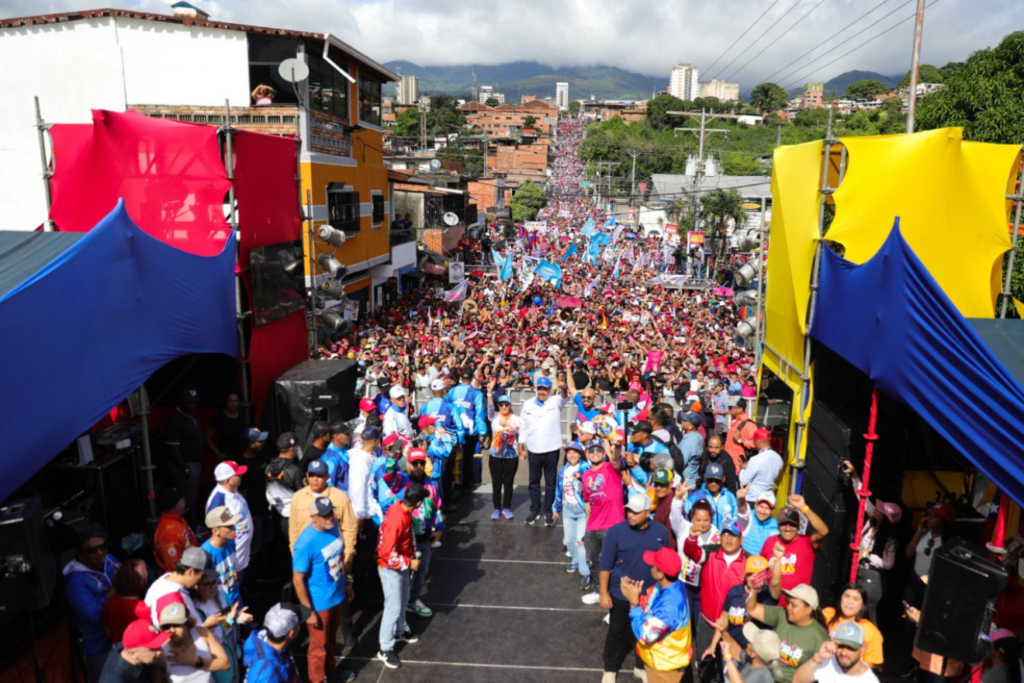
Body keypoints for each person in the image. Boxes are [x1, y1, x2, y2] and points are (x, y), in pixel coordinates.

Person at [599, 493, 672, 682]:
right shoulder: (615, 532)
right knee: (616, 631)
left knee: (646, 633)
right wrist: (603, 593)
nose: (630, 514)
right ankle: (610, 668)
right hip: (620, 594)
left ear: (647, 513)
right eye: (629, 510)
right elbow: (605, 565)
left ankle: (640, 666)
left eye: (636, 512)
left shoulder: (661, 532)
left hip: (650, 596)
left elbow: (664, 563)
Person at [292, 496, 357, 683]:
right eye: (324, 515)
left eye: (330, 512)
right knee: (318, 647)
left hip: (336, 595)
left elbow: (338, 558)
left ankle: (331, 671)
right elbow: (297, 579)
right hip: (319, 604)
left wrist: (346, 584)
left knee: (329, 640)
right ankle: (317, 680)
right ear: (313, 517)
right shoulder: (305, 543)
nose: (329, 517)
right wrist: (308, 611)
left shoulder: (333, 526)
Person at [683, 518, 749, 672]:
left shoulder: (749, 561)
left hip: (733, 628)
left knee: (729, 671)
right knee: (704, 666)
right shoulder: (710, 552)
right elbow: (692, 552)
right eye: (725, 534)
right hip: (707, 623)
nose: (728, 539)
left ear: (741, 539)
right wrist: (692, 538)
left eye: (733, 535)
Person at [620, 547, 692, 683]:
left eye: (654, 564)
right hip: (661, 661)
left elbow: (645, 635)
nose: (650, 566)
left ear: (660, 574)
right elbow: (651, 610)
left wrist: (633, 603)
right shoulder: (670, 586)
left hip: (665, 669)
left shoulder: (670, 607)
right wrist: (637, 595)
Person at [376, 483, 427, 670]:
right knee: (392, 608)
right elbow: (386, 554)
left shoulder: (400, 509)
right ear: (419, 503)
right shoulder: (397, 519)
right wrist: (409, 562)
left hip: (400, 567)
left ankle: (399, 633)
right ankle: (385, 648)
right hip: (392, 570)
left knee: (403, 600)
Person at [842, 461, 900, 622]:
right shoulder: (873, 519)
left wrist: (867, 555)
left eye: (880, 510)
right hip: (860, 572)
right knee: (854, 612)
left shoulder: (889, 539)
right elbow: (861, 495)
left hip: (873, 578)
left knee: (868, 615)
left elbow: (888, 564)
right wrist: (854, 474)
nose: (875, 509)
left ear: (886, 519)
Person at [65, 524, 121, 681]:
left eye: (103, 547)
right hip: (97, 647)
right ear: (81, 555)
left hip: (119, 635)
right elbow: (94, 614)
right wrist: (115, 589)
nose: (100, 552)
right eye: (92, 550)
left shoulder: (109, 560)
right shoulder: (75, 581)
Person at [745, 583, 830, 683]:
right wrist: (753, 591)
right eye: (788, 602)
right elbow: (752, 609)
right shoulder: (782, 615)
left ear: (809, 609)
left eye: (793, 605)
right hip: (764, 676)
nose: (788, 607)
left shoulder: (820, 638)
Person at [519, 374, 572, 527]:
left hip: (551, 448)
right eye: (539, 388)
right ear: (536, 389)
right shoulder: (528, 404)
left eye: (545, 389)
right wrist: (521, 446)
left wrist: (563, 387)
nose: (542, 391)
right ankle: (535, 510)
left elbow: (564, 396)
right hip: (534, 448)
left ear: (549, 390)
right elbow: (523, 425)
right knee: (533, 482)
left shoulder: (555, 401)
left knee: (550, 482)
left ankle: (548, 511)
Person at [762, 494, 829, 598]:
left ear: (798, 527)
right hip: (771, 602)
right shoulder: (770, 541)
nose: (788, 528)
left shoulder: (806, 542)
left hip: (796, 606)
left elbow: (823, 531)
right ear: (778, 526)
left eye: (792, 524)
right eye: (784, 524)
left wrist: (803, 507)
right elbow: (761, 569)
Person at [405, 449, 445, 618]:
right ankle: (402, 608)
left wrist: (440, 529)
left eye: (422, 463)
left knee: (422, 573)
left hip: (426, 538)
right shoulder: (401, 483)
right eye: (415, 464)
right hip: (407, 540)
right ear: (408, 464)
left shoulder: (432, 484)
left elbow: (437, 508)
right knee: (406, 576)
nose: (419, 467)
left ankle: (413, 600)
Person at [156, 593, 230, 683]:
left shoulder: (202, 633)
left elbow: (225, 664)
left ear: (187, 623)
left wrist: (195, 661)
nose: (172, 630)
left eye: (176, 624)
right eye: (166, 626)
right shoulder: (161, 651)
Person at [582, 440, 624, 598]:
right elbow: (587, 502)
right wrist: (587, 526)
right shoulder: (586, 476)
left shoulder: (610, 468)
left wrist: (616, 447)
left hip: (611, 526)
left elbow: (616, 459)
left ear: (604, 453)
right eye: (591, 451)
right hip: (592, 527)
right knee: (593, 562)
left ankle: (615, 595)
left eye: (598, 451)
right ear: (587, 454)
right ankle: (599, 591)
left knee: (612, 562)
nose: (595, 453)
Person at [206, 461, 253, 575]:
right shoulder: (218, 502)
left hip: (242, 556)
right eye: (237, 474)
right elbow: (219, 534)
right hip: (233, 562)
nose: (241, 476)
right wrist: (230, 564)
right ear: (228, 481)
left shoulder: (233, 490)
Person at [821, 584, 884, 669]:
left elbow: (869, 664)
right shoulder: (827, 614)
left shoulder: (870, 630)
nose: (849, 601)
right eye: (847, 596)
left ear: (862, 605)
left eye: (856, 599)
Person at [791, 623, 880, 683]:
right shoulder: (828, 661)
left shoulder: (870, 680)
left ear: (863, 648)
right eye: (840, 646)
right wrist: (818, 657)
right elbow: (797, 681)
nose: (844, 653)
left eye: (851, 648)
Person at [552, 441, 591, 576]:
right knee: (568, 540)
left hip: (582, 510)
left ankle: (585, 570)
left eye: (575, 452)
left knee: (581, 542)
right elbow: (558, 491)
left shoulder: (586, 467)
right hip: (567, 510)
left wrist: (581, 476)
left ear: (580, 454)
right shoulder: (563, 471)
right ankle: (575, 561)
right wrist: (556, 510)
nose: (572, 455)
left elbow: (587, 474)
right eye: (569, 452)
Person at [144, 547, 209, 626]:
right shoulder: (174, 596)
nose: (200, 581)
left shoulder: (165, 579)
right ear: (190, 572)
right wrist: (208, 625)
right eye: (201, 576)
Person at [165, 388, 204, 515]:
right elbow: (173, 450)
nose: (193, 406)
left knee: (193, 496)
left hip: (193, 462)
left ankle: (191, 526)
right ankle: (186, 528)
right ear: (181, 402)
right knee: (186, 500)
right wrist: (186, 469)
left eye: (194, 403)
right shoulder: (175, 420)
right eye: (189, 403)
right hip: (184, 465)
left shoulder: (190, 414)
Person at [446, 368, 487, 488]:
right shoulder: (477, 393)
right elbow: (479, 414)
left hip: (454, 431)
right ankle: (467, 483)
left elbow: (446, 408)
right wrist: (483, 432)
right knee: (468, 458)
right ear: (471, 379)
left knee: (453, 458)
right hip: (470, 432)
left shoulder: (452, 391)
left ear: (460, 378)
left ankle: (455, 482)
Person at [242, 603, 304, 683]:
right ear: (291, 633)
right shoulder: (267, 675)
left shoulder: (281, 647)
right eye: (298, 624)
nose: (300, 627)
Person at [98, 619, 170, 683]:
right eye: (152, 649)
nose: (160, 652)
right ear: (132, 652)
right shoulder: (114, 679)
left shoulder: (125, 647)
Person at [200, 506, 243, 609]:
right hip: (221, 605)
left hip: (235, 597)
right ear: (215, 531)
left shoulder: (230, 542)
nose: (234, 528)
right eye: (229, 526)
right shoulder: (205, 554)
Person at [265, 432, 304, 538]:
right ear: (292, 448)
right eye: (296, 446)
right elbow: (303, 496)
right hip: (294, 517)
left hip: (276, 515)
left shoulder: (268, 467)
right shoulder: (295, 471)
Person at [101, 559, 149, 646]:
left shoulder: (109, 603)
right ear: (142, 581)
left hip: (118, 650)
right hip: (138, 651)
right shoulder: (144, 608)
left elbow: (107, 632)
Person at [153, 487, 199, 574]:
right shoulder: (168, 534)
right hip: (186, 578)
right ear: (177, 506)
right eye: (181, 499)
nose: (184, 500)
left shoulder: (177, 518)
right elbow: (173, 569)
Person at [489, 394, 520, 519]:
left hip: (511, 455)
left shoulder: (517, 419)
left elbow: (521, 436)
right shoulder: (494, 418)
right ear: (498, 406)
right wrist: (489, 393)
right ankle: (497, 508)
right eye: (501, 405)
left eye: (506, 404)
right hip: (495, 455)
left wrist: (522, 450)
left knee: (508, 483)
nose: (504, 407)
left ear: (510, 405)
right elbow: (490, 406)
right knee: (496, 483)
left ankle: (506, 508)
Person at [685, 462, 739, 529]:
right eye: (710, 480)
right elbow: (686, 521)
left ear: (723, 478)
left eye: (717, 480)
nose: (713, 483)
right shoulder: (694, 498)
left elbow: (735, 519)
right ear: (705, 478)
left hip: (724, 537)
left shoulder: (730, 497)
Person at [739, 428, 783, 505]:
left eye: (754, 441)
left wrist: (743, 469)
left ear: (757, 442)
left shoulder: (755, 459)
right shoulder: (778, 458)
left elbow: (743, 481)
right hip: (769, 499)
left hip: (754, 499)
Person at [206, 392, 248, 462]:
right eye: (231, 401)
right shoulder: (219, 418)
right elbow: (207, 437)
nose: (234, 404)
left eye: (236, 401)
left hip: (242, 455)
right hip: (228, 457)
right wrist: (218, 453)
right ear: (226, 402)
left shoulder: (242, 414)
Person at [738, 490, 780, 556]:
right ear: (755, 505)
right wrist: (741, 500)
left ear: (773, 510)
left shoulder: (777, 526)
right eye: (761, 507)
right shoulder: (748, 516)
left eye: (767, 508)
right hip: (744, 557)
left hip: (764, 561)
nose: (762, 511)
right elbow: (742, 510)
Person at [723, 398, 757, 473]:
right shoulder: (735, 421)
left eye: (730, 407)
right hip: (729, 463)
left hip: (738, 467)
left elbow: (756, 444)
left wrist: (740, 440)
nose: (728, 409)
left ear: (740, 409)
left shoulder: (749, 425)